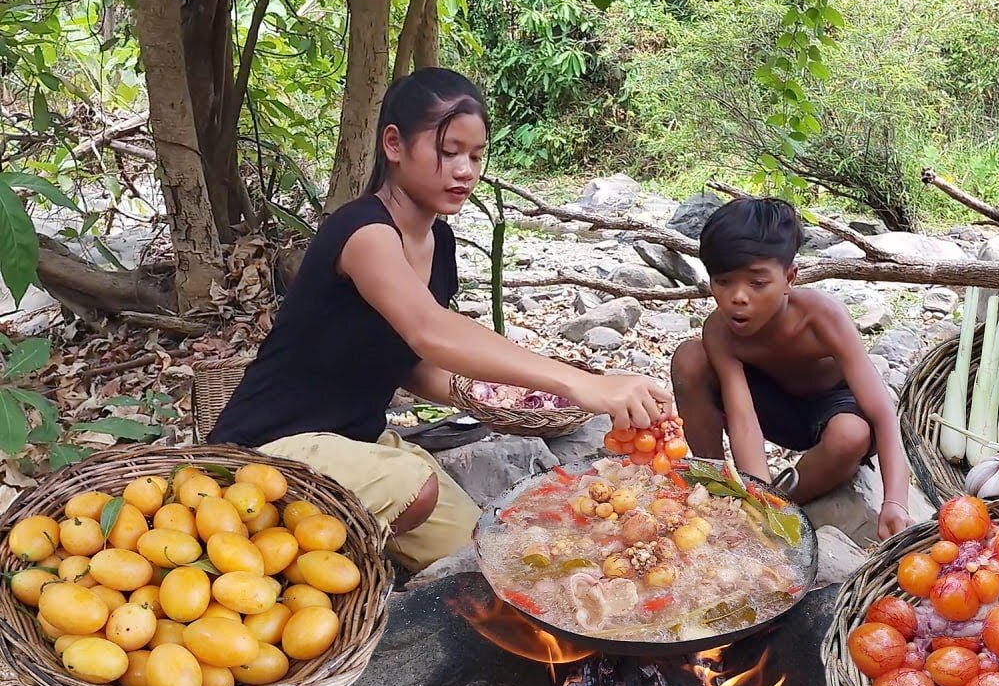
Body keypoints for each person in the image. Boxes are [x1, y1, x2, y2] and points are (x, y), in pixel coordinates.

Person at [208, 67, 671, 572]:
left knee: (495, 560)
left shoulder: (440, 243)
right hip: (270, 448)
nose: (465, 171)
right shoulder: (363, 232)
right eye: (448, 152)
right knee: (414, 487)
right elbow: (426, 330)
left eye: (475, 156)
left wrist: (501, 399)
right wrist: (584, 383)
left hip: (354, 440)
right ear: (394, 144)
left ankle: (359, 550)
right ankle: (301, 562)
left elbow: (410, 365)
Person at [670, 197, 912, 541]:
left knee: (851, 434)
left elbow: (883, 413)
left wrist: (896, 502)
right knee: (689, 358)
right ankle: (718, 487)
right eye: (723, 282)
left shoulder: (821, 317)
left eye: (757, 283)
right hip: (774, 408)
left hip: (833, 407)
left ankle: (784, 501)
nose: (738, 297)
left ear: (789, 277)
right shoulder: (720, 331)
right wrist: (756, 485)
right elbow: (743, 419)